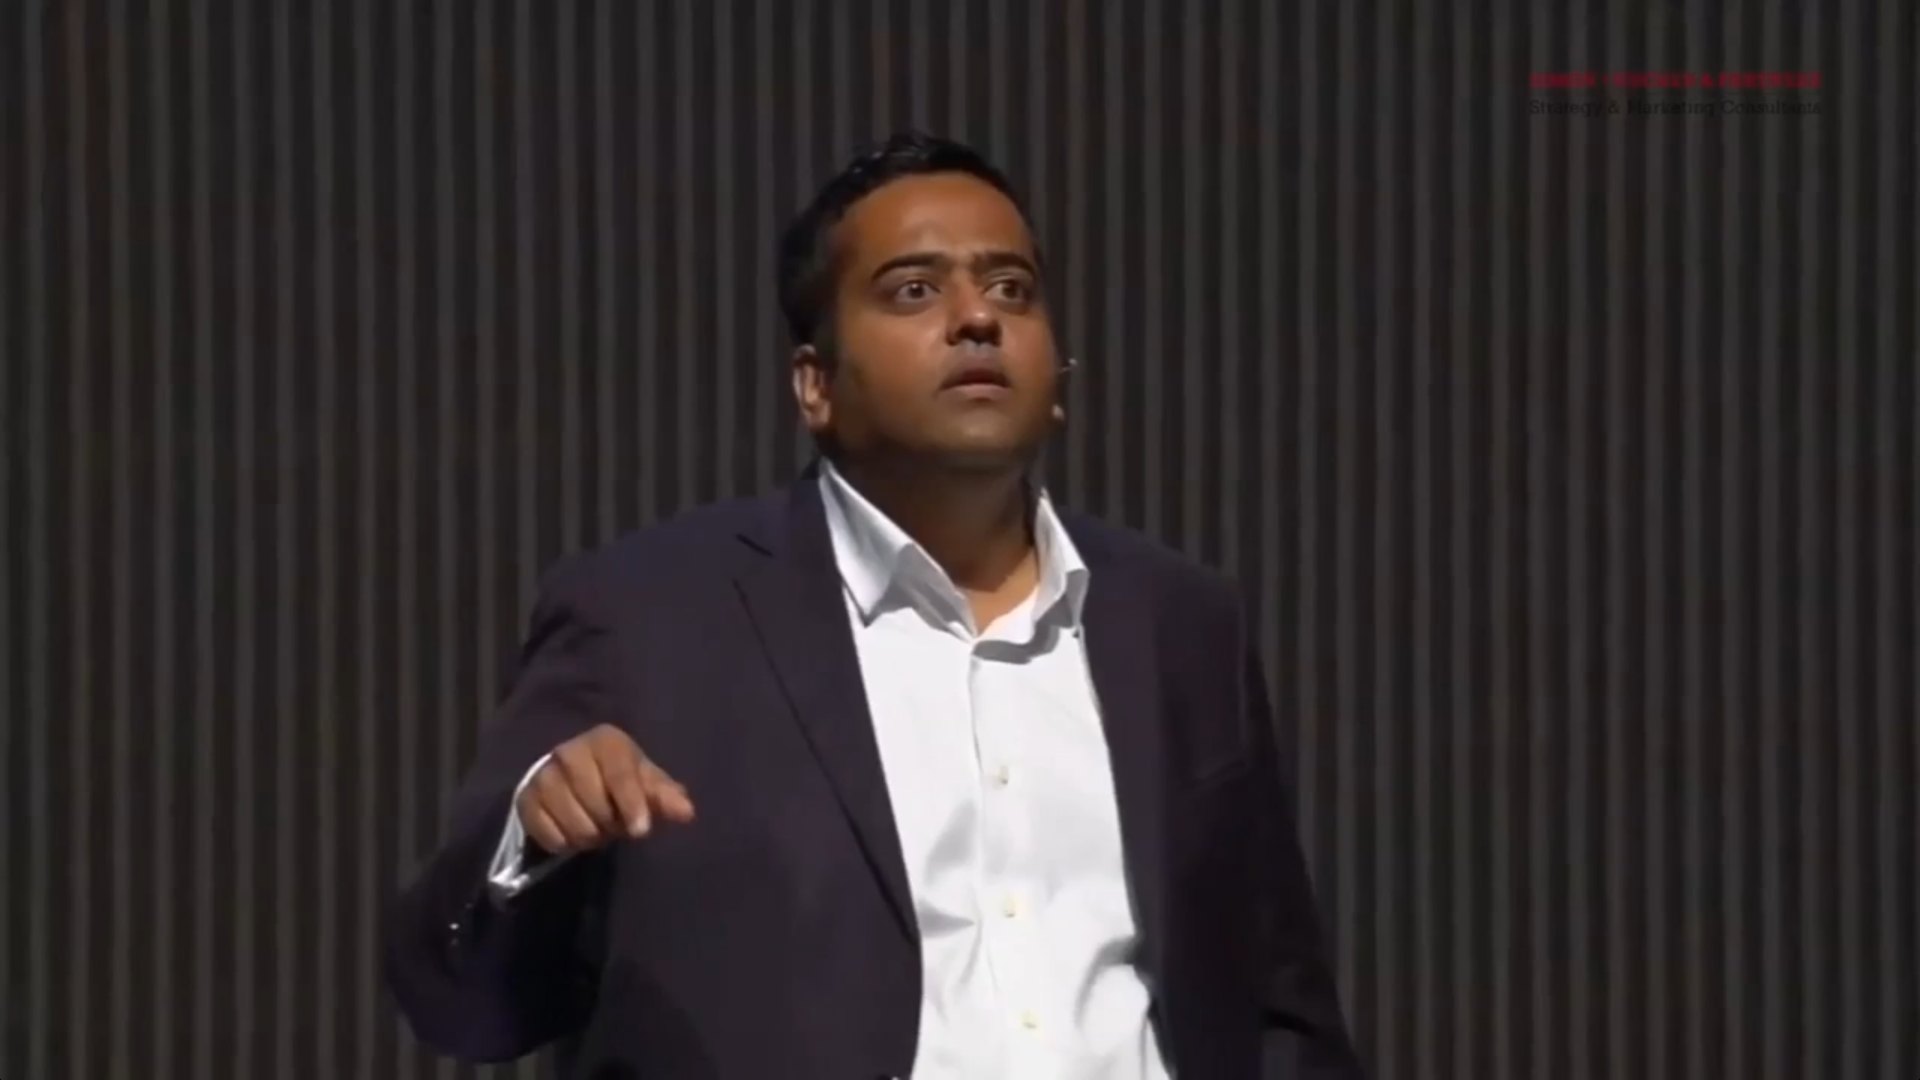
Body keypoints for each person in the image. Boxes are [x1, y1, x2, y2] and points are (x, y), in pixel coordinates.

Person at [384, 130, 1365, 1080]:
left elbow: (1277, 1007)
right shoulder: (647, 616)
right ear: (815, 385)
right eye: (914, 291)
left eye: (1011, 289)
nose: (978, 319)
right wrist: (534, 837)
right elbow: (458, 1004)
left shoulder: (1180, 623)